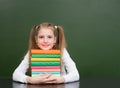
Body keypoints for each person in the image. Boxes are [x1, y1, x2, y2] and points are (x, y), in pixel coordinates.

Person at [12, 22, 79, 84]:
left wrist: (61, 79)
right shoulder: (31, 53)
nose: (45, 41)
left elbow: (75, 74)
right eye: (41, 37)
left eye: (49, 37)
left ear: (54, 40)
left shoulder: (62, 51)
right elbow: (16, 74)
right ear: (36, 39)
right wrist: (30, 79)